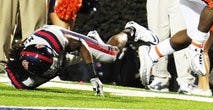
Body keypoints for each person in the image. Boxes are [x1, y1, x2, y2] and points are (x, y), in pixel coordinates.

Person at [4, 21, 159, 94]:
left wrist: (93, 77)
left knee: (111, 55)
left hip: (63, 38)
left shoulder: (58, 42)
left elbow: (80, 45)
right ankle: (94, 41)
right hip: (48, 52)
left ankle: (131, 30)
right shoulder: (19, 67)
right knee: (24, 85)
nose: (53, 66)